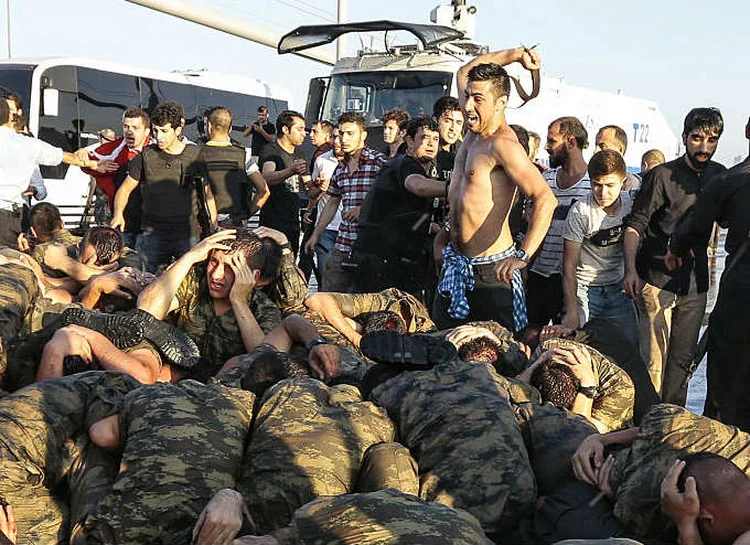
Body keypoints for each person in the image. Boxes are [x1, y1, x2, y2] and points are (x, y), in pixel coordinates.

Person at [432, 47, 557, 334]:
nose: (467, 106)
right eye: (467, 97)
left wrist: (522, 256)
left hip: (493, 273)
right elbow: (464, 71)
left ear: (500, 103)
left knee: (500, 363)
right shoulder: (472, 133)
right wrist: (514, 55)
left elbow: (545, 200)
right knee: (441, 352)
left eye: (478, 99)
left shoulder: (502, 144)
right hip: (457, 267)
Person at [623, 107, 726, 405]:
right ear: (684, 138)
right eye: (696, 139)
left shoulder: (720, 177)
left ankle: (671, 428)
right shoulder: (661, 176)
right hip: (655, 283)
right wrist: (630, 270)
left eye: (712, 140)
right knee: (653, 364)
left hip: (696, 286)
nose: (704, 147)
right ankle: (645, 429)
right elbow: (634, 226)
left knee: (682, 366)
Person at [667, 119, 750, 428]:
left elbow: (691, 231)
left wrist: (675, 251)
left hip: (738, 300)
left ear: (747, 132)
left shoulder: (728, 182)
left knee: (724, 396)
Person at [136, 229, 282, 380]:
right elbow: (146, 310)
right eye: (214, 262)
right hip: (180, 369)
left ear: (253, 276)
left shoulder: (264, 309)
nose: (216, 275)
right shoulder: (195, 281)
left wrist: (239, 302)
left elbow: (261, 358)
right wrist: (189, 258)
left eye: (229, 268)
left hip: (225, 386)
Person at [111, 101, 217, 273]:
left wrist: (212, 224)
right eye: (155, 131)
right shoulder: (145, 156)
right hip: (152, 237)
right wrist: (118, 214)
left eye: (164, 131)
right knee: (148, 281)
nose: (159, 136)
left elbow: (207, 193)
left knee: (190, 280)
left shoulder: (195, 155)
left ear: (178, 130)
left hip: (187, 235)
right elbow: (125, 189)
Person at [353, 116, 444, 299]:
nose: (431, 144)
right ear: (409, 140)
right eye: (424, 138)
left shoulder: (402, 165)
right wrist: (458, 188)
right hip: (381, 261)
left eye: (435, 139)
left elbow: (408, 218)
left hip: (383, 258)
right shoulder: (407, 164)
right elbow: (417, 186)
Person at [304, 112, 387, 292]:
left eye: (350, 133)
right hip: (343, 243)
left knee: (361, 300)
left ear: (363, 135)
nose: (344, 139)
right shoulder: (340, 168)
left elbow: (391, 200)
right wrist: (316, 234)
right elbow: (333, 202)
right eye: (341, 133)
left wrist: (363, 209)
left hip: (370, 247)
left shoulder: (379, 163)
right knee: (327, 294)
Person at [561, 150, 638, 345]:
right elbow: (568, 267)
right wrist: (571, 311)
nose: (603, 193)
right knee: (580, 346)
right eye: (597, 185)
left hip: (618, 288)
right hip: (585, 289)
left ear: (623, 181)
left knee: (630, 346)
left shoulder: (631, 205)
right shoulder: (580, 211)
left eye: (610, 185)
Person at [0, 98, 98, 248]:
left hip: (13, 215)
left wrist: (34, 190)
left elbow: (41, 189)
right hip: (10, 219)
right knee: (12, 264)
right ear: (9, 117)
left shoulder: (28, 144)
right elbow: (64, 157)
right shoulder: (29, 144)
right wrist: (95, 163)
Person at [525, 116, 590, 330]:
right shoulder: (545, 180)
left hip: (576, 280)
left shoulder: (595, 185)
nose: (546, 147)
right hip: (541, 275)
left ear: (570, 142)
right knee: (531, 334)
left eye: (552, 141)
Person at [80, 106, 151, 249]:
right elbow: (86, 161)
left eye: (135, 128)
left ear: (146, 131)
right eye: (126, 127)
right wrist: (84, 156)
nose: (129, 132)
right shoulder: (116, 149)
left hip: (150, 226)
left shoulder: (156, 150)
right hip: (124, 223)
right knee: (124, 265)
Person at [201, 106, 270, 227]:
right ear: (230, 129)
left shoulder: (196, 154)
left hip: (204, 223)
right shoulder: (243, 156)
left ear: (209, 126)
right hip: (235, 223)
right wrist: (246, 215)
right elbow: (264, 191)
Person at [258, 109, 309, 257]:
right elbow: (266, 177)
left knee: (290, 266)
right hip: (273, 223)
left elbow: (308, 186)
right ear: (285, 129)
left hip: (293, 222)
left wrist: (320, 186)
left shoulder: (300, 154)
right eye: (299, 129)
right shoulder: (271, 151)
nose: (304, 133)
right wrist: (290, 171)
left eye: (304, 129)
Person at [304, 126, 343, 286]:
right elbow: (311, 193)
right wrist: (320, 188)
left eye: (341, 137)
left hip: (349, 229)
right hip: (326, 229)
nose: (337, 142)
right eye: (334, 137)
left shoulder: (362, 163)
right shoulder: (322, 160)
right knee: (324, 278)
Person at [299, 120, 335, 281]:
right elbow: (315, 189)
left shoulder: (323, 155)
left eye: (315, 132)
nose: (310, 135)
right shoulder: (321, 157)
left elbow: (321, 190)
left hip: (327, 218)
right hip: (322, 217)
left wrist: (310, 209)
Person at [594, 125, 641, 192]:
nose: (596, 151)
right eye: (596, 185)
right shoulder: (587, 179)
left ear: (620, 149)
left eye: (603, 146)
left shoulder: (632, 186)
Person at [433, 96, 465, 184]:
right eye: (448, 121)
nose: (453, 128)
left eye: (458, 123)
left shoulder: (464, 151)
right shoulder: (424, 148)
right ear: (435, 121)